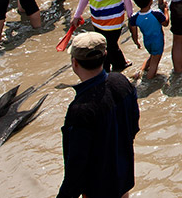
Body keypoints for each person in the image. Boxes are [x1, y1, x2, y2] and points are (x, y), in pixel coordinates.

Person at [58, 31, 140, 198]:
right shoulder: (122, 82)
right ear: (105, 55)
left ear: (74, 63)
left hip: (98, 186)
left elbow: (76, 164)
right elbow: (133, 125)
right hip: (123, 173)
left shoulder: (80, 109)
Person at [130, 0, 167, 80]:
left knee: (152, 56)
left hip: (147, 42)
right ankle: (148, 80)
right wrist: (166, 10)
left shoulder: (134, 17)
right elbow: (166, 23)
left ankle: (140, 71)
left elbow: (134, 33)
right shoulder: (157, 13)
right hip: (157, 42)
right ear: (151, 0)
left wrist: (136, 42)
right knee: (155, 62)